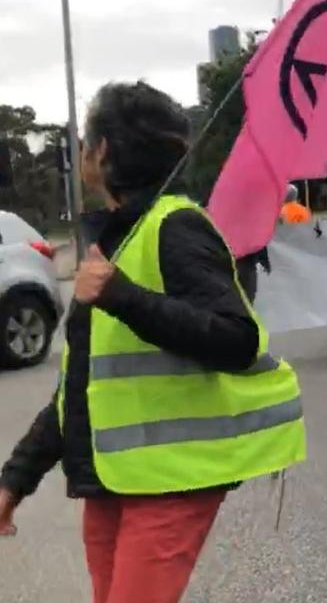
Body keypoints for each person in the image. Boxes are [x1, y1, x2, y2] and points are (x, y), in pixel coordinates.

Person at [0, 82, 306, 603]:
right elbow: (83, 384)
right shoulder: (118, 236)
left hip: (170, 478)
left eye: (84, 142)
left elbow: (238, 338)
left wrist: (125, 297)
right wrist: (17, 478)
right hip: (114, 479)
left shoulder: (176, 226)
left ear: (103, 151)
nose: (79, 155)